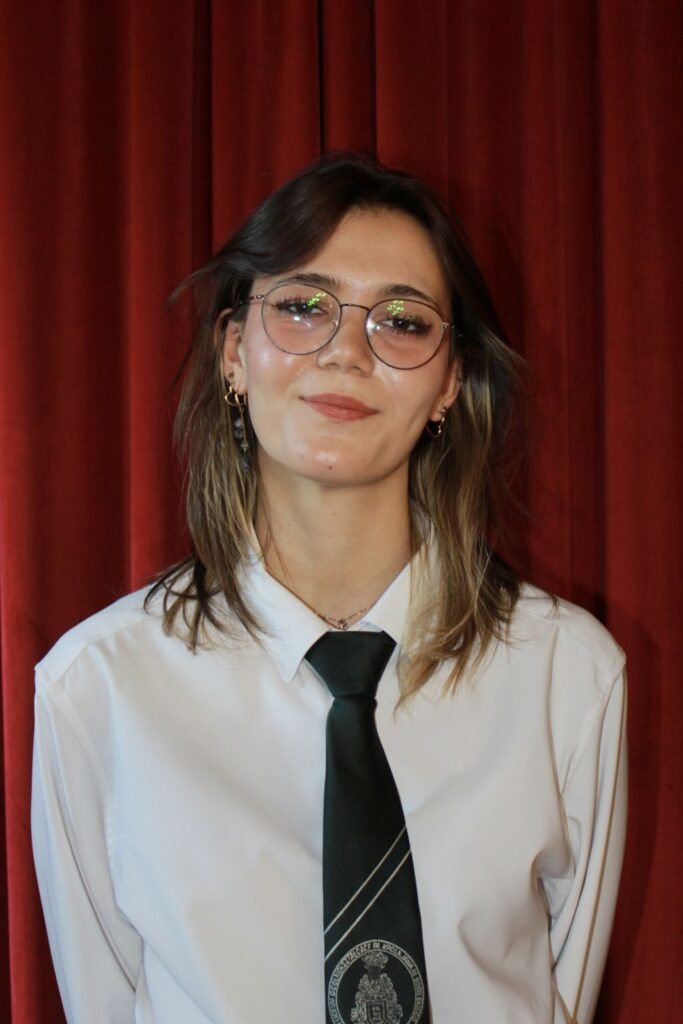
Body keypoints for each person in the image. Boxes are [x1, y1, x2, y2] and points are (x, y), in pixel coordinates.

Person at [31, 153, 627, 1024]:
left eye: (402, 321)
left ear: (449, 383)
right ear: (234, 352)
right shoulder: (98, 689)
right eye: (303, 307)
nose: (347, 351)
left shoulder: (566, 676)